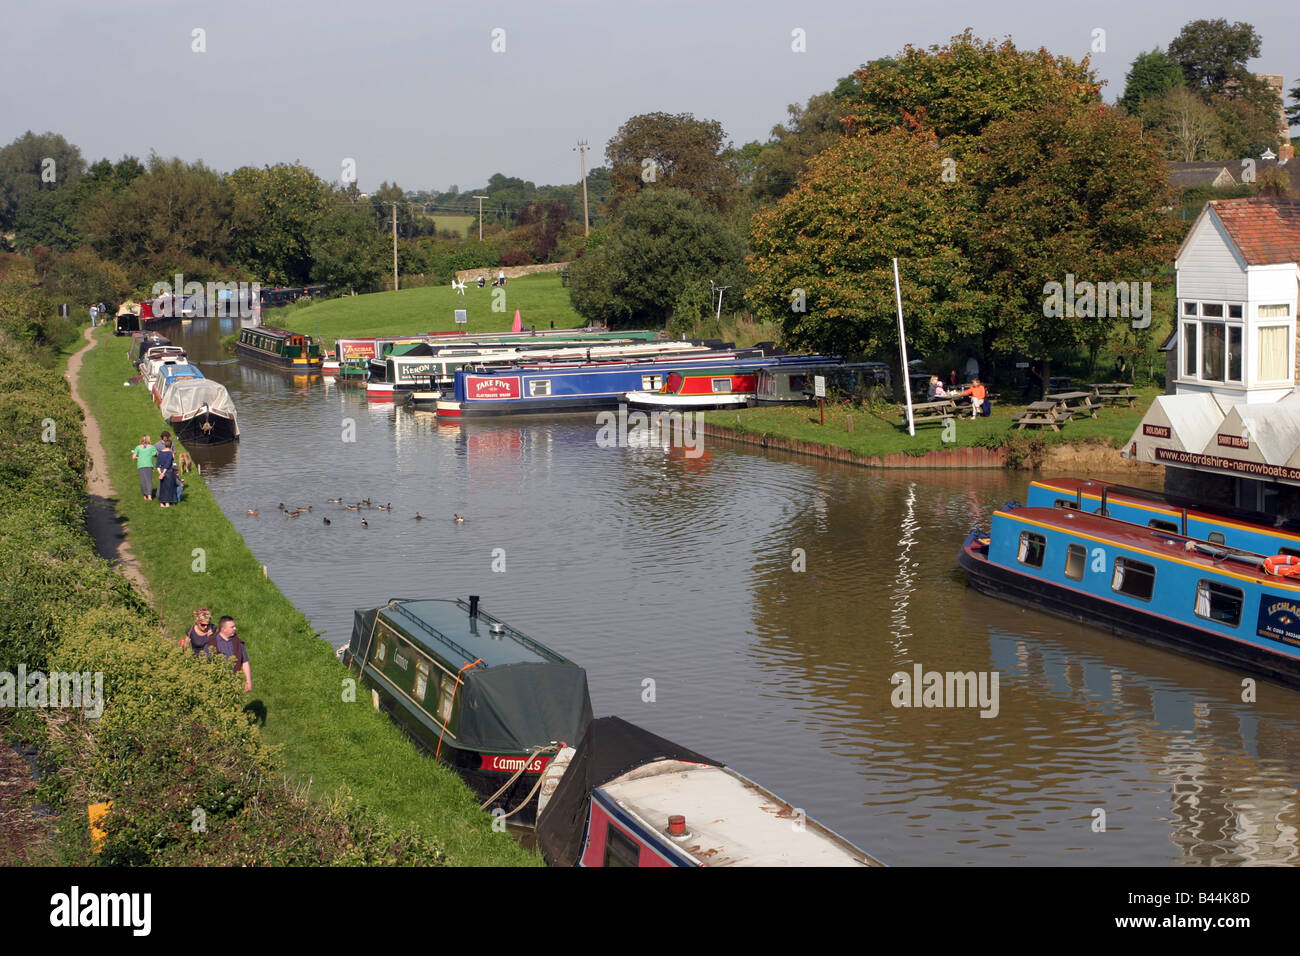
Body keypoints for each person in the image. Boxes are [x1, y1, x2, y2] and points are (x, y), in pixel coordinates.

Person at [204, 616, 251, 692]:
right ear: (223, 629)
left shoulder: (238, 642)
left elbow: (245, 661)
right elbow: (204, 664)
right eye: (232, 627)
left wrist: (248, 682)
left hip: (235, 683)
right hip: (217, 685)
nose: (235, 628)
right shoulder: (211, 643)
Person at [131, 434, 157, 500]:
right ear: (149, 440)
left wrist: (139, 457)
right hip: (148, 465)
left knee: (143, 481)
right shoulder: (151, 447)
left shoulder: (138, 447)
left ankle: (144, 495)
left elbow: (133, 457)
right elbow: (155, 454)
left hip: (141, 465)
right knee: (149, 481)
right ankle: (149, 496)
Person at [156, 437, 177, 508]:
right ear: (171, 446)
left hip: (161, 471)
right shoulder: (170, 453)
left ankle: (162, 503)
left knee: (162, 487)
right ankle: (167, 503)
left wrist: (160, 473)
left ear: (165, 445)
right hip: (168, 472)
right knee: (168, 487)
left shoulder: (160, 453)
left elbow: (157, 464)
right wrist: (163, 473)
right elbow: (168, 464)